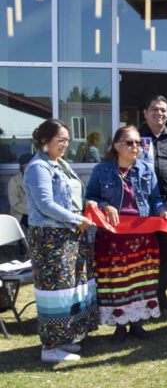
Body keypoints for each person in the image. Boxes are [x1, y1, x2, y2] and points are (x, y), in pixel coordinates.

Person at [85, 126, 167, 343]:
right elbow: (90, 198)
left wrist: (162, 211)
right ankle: (120, 326)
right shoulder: (102, 170)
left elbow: (154, 199)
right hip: (112, 237)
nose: (136, 147)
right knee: (117, 281)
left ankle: (137, 323)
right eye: (129, 142)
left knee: (141, 279)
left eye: (138, 143)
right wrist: (105, 205)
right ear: (116, 146)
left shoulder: (146, 169)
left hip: (141, 235)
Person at [23, 119, 97, 363]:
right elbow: (46, 205)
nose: (66, 144)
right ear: (45, 141)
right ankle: (50, 346)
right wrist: (77, 220)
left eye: (67, 140)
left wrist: (87, 205)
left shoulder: (61, 163)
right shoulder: (38, 167)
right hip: (49, 238)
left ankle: (65, 338)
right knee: (53, 291)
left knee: (70, 288)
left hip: (70, 235)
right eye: (61, 140)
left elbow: (73, 194)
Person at [139, 95, 167, 313]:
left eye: (164, 110)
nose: (160, 114)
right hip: (138, 210)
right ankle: (141, 299)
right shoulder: (134, 138)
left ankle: (161, 295)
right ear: (146, 113)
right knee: (141, 257)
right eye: (155, 109)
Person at [7, 152, 33, 230]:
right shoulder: (14, 181)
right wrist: (31, 211)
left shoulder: (38, 179)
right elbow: (15, 203)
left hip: (37, 213)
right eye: (21, 164)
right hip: (21, 214)